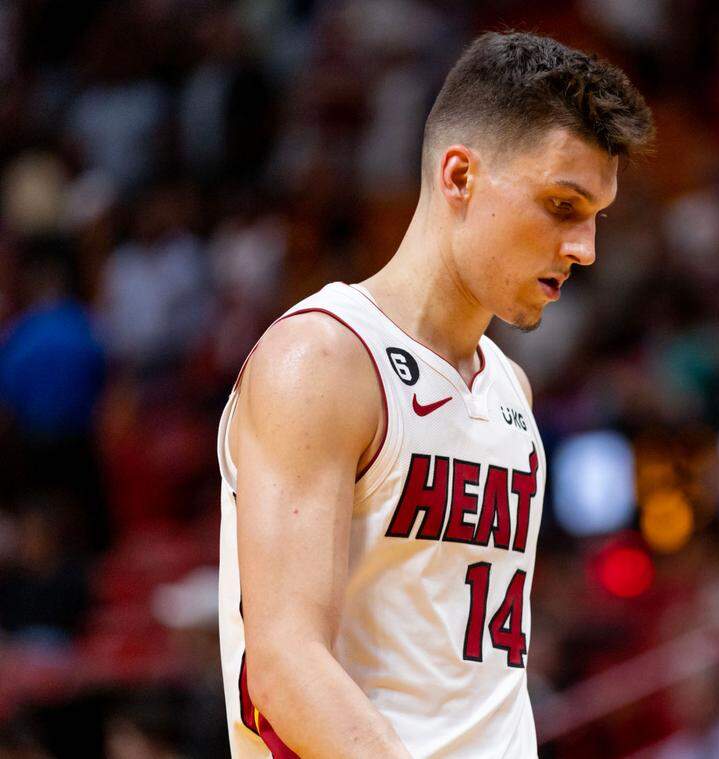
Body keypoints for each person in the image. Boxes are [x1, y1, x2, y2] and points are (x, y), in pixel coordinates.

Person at [216, 31, 654, 758]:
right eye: (561, 204)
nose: (585, 248)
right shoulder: (323, 358)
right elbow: (286, 666)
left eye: (595, 216)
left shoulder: (510, 385)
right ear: (458, 176)